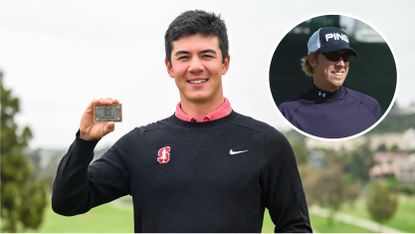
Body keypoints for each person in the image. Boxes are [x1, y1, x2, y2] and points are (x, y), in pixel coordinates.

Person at [52, 10, 312, 233]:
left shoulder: (266, 144)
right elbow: (67, 202)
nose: (195, 66)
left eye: (207, 55)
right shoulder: (139, 146)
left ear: (225, 63)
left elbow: (295, 226)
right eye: (184, 57)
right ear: (169, 67)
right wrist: (85, 142)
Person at [279, 27, 382, 138]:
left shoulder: (370, 107)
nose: (341, 64)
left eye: (346, 57)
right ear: (312, 60)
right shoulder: (288, 112)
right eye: (333, 55)